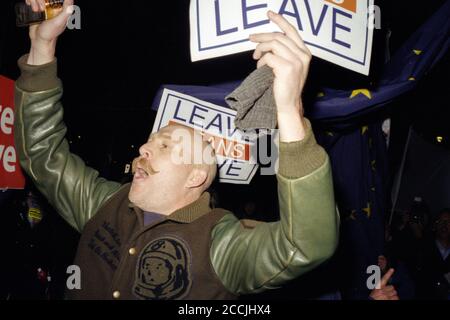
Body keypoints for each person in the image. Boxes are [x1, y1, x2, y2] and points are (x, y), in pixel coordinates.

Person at [14, 0, 339, 300]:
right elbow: (41, 152)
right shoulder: (102, 203)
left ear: (196, 175)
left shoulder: (222, 247)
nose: (143, 147)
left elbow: (305, 244)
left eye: (166, 145)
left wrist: (290, 111)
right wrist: (42, 47)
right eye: (151, 140)